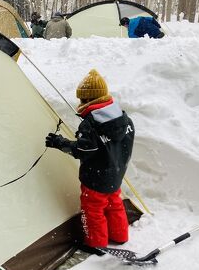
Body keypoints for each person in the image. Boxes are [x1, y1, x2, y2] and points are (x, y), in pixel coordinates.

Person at [45, 69, 134, 248]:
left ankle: (96, 244)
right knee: (114, 204)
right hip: (116, 175)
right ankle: (120, 236)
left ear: (88, 99)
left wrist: (59, 142)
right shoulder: (124, 119)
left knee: (93, 210)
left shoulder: (91, 124)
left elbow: (82, 150)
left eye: (81, 99)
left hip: (95, 179)